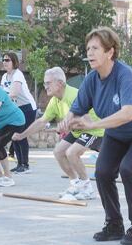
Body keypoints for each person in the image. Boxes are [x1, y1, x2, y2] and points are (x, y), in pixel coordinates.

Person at [58, 27, 132, 245]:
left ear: (110, 52)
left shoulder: (124, 74)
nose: (90, 52)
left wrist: (94, 124)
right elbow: (77, 108)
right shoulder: (91, 80)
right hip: (118, 134)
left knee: (129, 168)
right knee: (103, 171)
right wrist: (67, 120)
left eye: (95, 48)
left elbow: (127, 114)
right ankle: (114, 224)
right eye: (88, 48)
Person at [12, 67, 103, 200]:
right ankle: (75, 184)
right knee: (58, 152)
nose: (45, 86)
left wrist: (68, 125)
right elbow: (41, 122)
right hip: (78, 131)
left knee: (71, 153)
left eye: (48, 83)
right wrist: (22, 135)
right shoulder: (55, 100)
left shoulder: (73, 95)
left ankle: (87, 189)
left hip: (95, 130)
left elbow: (87, 121)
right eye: (44, 83)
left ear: (60, 83)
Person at [0, 52, 37, 174]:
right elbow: (1, 94)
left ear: (14, 62)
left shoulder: (18, 74)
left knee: (21, 134)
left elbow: (14, 93)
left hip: (27, 107)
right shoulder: (4, 77)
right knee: (13, 136)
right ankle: (19, 164)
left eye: (7, 60)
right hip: (15, 109)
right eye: (3, 60)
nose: (4, 62)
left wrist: (1, 100)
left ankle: (25, 165)